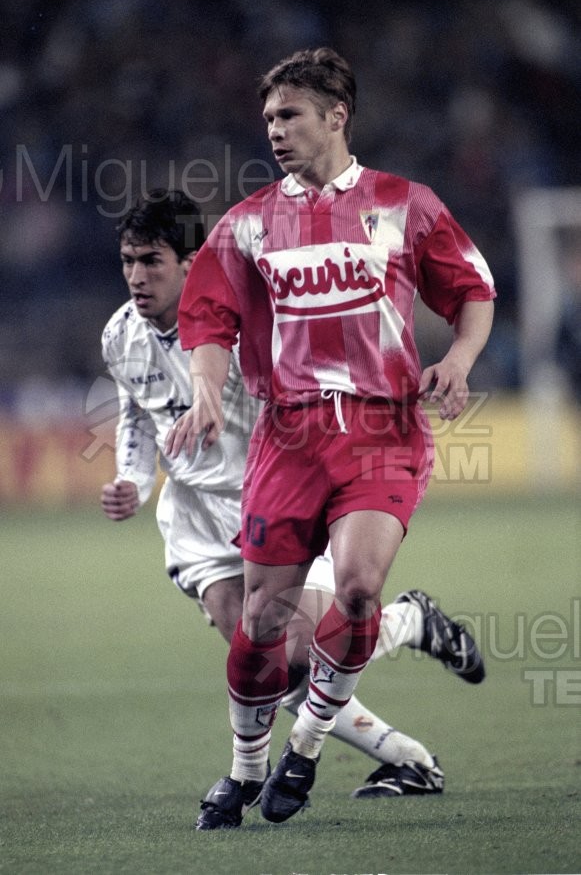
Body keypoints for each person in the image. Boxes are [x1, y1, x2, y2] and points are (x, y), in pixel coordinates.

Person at [168, 46, 495, 828]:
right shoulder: (247, 225)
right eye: (268, 118)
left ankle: (304, 751)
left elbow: (471, 290)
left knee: (354, 589)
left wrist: (458, 357)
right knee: (263, 628)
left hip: (384, 431)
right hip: (288, 439)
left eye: (289, 115)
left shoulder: (403, 204)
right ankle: (246, 773)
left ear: (336, 116)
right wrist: (209, 394)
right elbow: (206, 318)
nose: (274, 130)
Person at [101, 187, 484, 830]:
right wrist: (131, 481)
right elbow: (135, 416)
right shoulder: (120, 334)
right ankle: (408, 756)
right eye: (128, 261)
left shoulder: (262, 321)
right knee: (270, 665)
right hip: (199, 514)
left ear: (194, 262)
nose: (137, 277)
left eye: (152, 261)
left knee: (303, 651)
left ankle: (408, 631)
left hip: (281, 495)